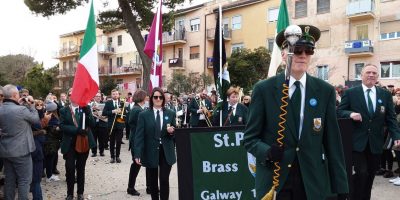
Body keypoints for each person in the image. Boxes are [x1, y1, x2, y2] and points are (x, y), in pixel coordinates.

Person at [243, 25, 349, 200]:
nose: (303, 55)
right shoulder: (264, 89)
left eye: (308, 50)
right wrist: (267, 152)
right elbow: (250, 138)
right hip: (276, 178)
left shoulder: (325, 91)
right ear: (284, 54)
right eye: (297, 50)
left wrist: (341, 185)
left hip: (311, 180)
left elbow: (333, 144)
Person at [337, 64, 400, 200]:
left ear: (377, 77)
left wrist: (396, 135)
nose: (371, 75)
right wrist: (350, 114)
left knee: (370, 176)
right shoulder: (351, 93)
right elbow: (339, 111)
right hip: (357, 143)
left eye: (374, 73)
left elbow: (391, 117)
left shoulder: (385, 94)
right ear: (362, 75)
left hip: (375, 143)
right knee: (361, 173)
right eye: (368, 72)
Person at [134, 87, 176, 200]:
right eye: (155, 97)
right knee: (153, 181)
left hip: (166, 150)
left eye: (160, 97)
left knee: (164, 179)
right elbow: (139, 136)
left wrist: (172, 132)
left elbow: (175, 133)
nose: (158, 99)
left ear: (163, 99)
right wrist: (137, 153)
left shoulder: (171, 113)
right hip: (150, 150)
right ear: (151, 99)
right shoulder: (144, 115)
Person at [0, 84, 40, 200]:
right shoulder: (21, 110)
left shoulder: (1, 109)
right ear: (14, 95)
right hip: (21, 151)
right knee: (24, 180)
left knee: (9, 180)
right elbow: (35, 119)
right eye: (17, 94)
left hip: (5, 151)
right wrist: (31, 105)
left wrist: (20, 104)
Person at [60, 94, 96, 200]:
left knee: (81, 169)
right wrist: (76, 130)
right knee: (70, 168)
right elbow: (62, 125)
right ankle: (69, 194)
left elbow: (92, 124)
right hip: (70, 143)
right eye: (71, 95)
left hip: (83, 142)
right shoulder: (64, 110)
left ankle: (80, 193)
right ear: (69, 97)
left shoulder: (85, 108)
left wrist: (88, 113)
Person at [127, 89, 147, 196]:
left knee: (139, 164)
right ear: (142, 97)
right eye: (146, 96)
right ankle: (130, 187)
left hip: (136, 140)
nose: (147, 98)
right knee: (136, 164)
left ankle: (133, 187)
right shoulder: (137, 110)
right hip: (136, 141)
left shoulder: (138, 108)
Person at [102, 89, 126, 163]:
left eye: (116, 94)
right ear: (111, 95)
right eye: (113, 94)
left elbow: (125, 114)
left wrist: (123, 122)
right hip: (111, 125)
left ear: (118, 95)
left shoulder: (122, 103)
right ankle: (112, 157)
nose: (115, 95)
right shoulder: (108, 103)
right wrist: (113, 111)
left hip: (119, 125)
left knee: (118, 141)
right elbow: (104, 113)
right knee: (112, 142)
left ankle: (117, 156)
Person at [90, 92, 108, 157]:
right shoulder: (91, 104)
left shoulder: (104, 104)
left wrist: (100, 111)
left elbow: (106, 113)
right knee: (93, 139)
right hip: (94, 124)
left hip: (102, 123)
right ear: (94, 97)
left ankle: (101, 152)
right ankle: (94, 152)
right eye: (96, 96)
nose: (98, 97)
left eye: (99, 96)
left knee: (101, 139)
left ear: (101, 97)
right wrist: (92, 110)